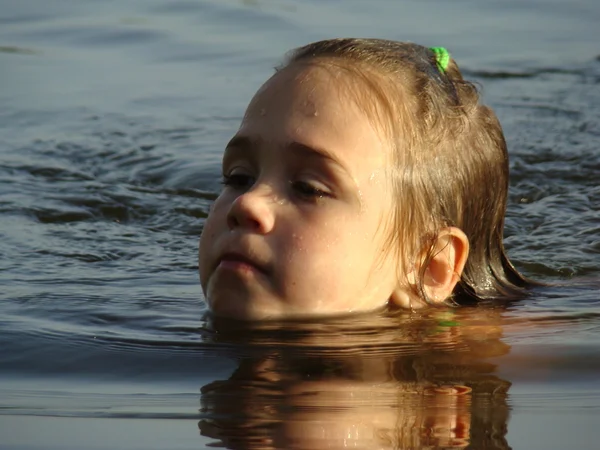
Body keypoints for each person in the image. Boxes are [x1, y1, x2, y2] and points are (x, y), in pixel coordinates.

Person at [198, 38, 532, 321]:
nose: (247, 203)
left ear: (429, 266)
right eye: (238, 178)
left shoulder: (468, 363)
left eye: (307, 188)